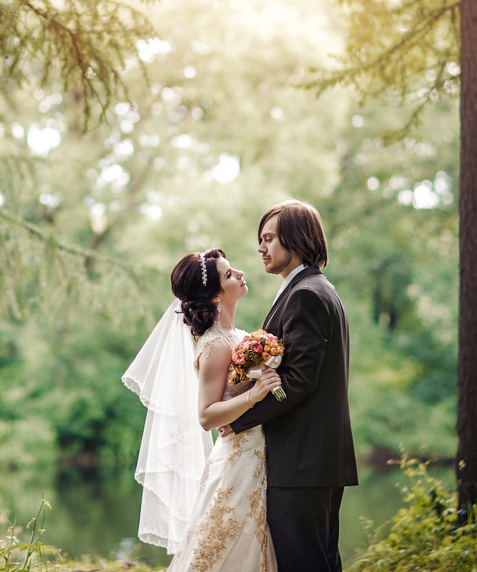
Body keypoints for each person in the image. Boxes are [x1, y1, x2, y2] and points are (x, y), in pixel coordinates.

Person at [123, 248, 282, 572]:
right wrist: (255, 394)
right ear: (214, 297)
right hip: (237, 461)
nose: (239, 273)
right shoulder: (214, 345)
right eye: (228, 274)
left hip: (257, 456)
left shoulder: (237, 337)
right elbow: (207, 415)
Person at [227, 199, 358, 572]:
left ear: (295, 239)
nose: (260, 247)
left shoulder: (306, 294)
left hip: (303, 461)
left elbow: (296, 383)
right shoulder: (313, 288)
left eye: (269, 238)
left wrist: (242, 415)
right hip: (314, 460)